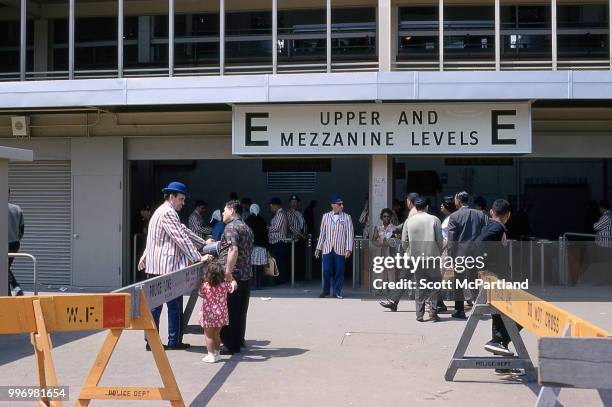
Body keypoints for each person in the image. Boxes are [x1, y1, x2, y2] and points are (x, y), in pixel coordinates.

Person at [138, 181, 208, 351]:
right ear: (171, 197)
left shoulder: (160, 212)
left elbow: (183, 231)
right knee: (174, 305)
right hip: (167, 268)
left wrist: (204, 242)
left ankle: (152, 342)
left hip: (156, 267)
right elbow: (181, 238)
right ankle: (173, 341)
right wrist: (199, 257)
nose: (183, 203)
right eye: (181, 199)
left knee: (155, 306)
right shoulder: (168, 213)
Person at [478, 199, 524, 374]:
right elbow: (479, 244)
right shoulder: (496, 228)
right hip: (497, 280)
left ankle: (501, 363)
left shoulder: (492, 226)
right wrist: (484, 269)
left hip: (497, 279)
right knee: (521, 316)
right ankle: (497, 341)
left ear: (491, 212)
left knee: (499, 320)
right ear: (508, 215)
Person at [215, 200, 254, 355]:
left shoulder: (231, 227)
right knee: (240, 311)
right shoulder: (246, 227)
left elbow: (233, 249)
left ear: (232, 210)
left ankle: (230, 344)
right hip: (246, 274)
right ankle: (238, 340)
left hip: (235, 275)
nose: (223, 213)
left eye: (224, 210)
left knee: (230, 310)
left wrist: (228, 273)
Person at [447, 191, 488, 319]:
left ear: (459, 200)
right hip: (476, 253)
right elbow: (486, 234)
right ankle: (477, 308)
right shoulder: (480, 215)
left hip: (460, 254)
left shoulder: (454, 216)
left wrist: (450, 255)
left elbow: (452, 240)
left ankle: (460, 311)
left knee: (459, 282)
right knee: (474, 280)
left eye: (455, 199)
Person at [403, 198, 443, 322]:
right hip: (432, 256)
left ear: (415, 206)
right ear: (426, 207)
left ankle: (419, 313)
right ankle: (433, 311)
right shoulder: (434, 219)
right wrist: (439, 251)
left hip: (416, 257)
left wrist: (409, 250)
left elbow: (404, 242)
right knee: (435, 285)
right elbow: (439, 240)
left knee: (420, 284)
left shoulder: (409, 221)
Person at [379, 192, 420, 311]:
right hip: (418, 250)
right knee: (407, 278)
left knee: (409, 278)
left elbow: (406, 226)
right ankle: (394, 302)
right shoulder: (418, 212)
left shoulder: (414, 212)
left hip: (414, 251)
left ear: (411, 202)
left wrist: (395, 229)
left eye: (407, 200)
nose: (406, 203)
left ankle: (436, 304)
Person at [316, 194, 354, 299]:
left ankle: (337, 292)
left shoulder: (347, 217)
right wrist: (318, 248)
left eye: (342, 204)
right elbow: (322, 233)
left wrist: (348, 249)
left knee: (339, 270)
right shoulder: (326, 216)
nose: (341, 206)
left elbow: (349, 234)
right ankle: (326, 291)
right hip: (327, 248)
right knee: (326, 270)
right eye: (339, 204)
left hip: (340, 248)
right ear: (332, 205)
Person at [199, 261, 236, 363]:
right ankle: (217, 353)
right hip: (221, 314)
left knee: (208, 335)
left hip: (208, 314)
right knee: (216, 335)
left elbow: (200, 294)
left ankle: (211, 354)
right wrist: (232, 280)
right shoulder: (224, 285)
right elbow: (233, 287)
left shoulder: (205, 286)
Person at [245, 203, 269, 289]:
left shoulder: (247, 220)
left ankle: (252, 284)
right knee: (259, 267)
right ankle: (259, 284)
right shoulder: (262, 220)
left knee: (251, 266)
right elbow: (265, 233)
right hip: (261, 246)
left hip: (251, 247)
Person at [268, 197, 289, 284]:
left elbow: (276, 228)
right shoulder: (278, 214)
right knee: (278, 261)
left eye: (271, 206)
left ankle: (281, 280)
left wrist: (267, 228)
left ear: (275, 205)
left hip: (279, 241)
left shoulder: (280, 214)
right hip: (276, 241)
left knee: (280, 262)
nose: (271, 208)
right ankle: (279, 279)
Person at [8, 192, 24, 296]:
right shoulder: (17, 209)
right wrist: (17, 239)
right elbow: (22, 229)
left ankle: (15, 289)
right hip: (14, 244)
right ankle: (14, 289)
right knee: (5, 268)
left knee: (3, 269)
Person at [287, 194, 306, 280]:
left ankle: (300, 275)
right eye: (292, 202)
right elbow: (290, 226)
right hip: (294, 239)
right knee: (294, 259)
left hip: (301, 238)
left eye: (296, 202)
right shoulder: (288, 213)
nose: (294, 204)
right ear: (290, 203)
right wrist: (300, 235)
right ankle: (294, 277)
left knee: (300, 258)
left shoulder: (299, 212)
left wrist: (304, 233)